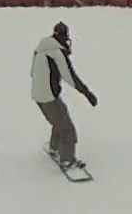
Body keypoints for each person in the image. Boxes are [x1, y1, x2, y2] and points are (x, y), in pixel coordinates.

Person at [31, 22, 98, 169]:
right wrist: (87, 93)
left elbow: (32, 72)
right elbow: (70, 77)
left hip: (38, 95)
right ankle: (67, 159)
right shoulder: (56, 52)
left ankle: (54, 147)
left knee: (60, 118)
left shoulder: (40, 48)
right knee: (67, 128)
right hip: (48, 96)